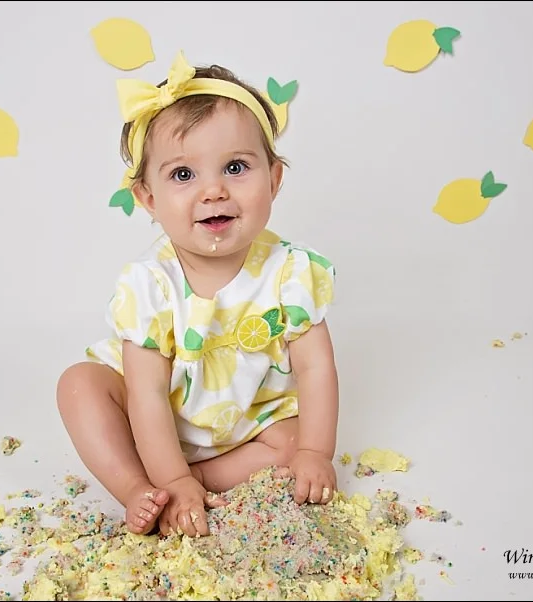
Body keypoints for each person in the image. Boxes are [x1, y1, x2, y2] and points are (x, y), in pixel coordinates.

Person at [56, 51, 339, 538]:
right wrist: (169, 473)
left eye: (235, 167)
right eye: (183, 175)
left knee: (294, 440)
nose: (213, 191)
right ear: (148, 198)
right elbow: (144, 395)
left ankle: (201, 481)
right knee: (79, 386)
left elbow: (316, 368)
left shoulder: (291, 273)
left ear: (274, 181)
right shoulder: (150, 284)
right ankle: (139, 487)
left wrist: (316, 452)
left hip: (243, 425)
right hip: (154, 425)